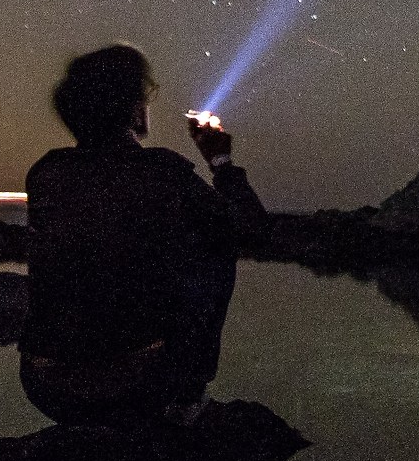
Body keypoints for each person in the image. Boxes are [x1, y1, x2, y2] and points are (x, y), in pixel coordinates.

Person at [18, 44, 268, 427]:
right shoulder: (162, 171)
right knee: (215, 250)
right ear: (132, 108)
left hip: (44, 383)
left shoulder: (46, 172)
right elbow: (252, 231)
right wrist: (221, 161)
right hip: (138, 388)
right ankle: (187, 399)